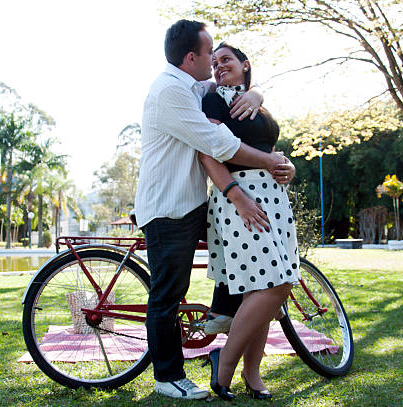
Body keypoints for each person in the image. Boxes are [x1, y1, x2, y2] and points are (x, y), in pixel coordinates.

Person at [134, 20, 289, 400]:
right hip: (168, 206)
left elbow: (234, 82)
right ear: (192, 57)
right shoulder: (171, 91)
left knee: (242, 273)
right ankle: (168, 377)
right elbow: (217, 143)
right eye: (209, 55)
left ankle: (223, 315)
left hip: (190, 204)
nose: (214, 63)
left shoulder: (191, 85)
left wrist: (258, 95)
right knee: (167, 294)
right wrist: (269, 163)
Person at [198, 42, 301, 401]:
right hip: (239, 199)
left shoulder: (257, 102)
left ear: (245, 64)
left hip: (275, 200)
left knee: (262, 287)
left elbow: (271, 153)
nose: (218, 65)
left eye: (225, 59)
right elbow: (209, 153)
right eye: (214, 61)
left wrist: (287, 165)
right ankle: (223, 363)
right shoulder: (213, 99)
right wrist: (237, 198)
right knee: (277, 283)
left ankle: (252, 374)